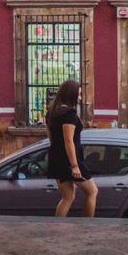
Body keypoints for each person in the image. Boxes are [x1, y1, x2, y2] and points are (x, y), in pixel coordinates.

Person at [45, 79, 98, 217]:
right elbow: (68, 140)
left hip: (56, 157)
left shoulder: (51, 112)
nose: (80, 98)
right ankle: (88, 225)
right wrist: (74, 166)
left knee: (68, 196)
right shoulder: (69, 114)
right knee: (92, 191)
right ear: (71, 95)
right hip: (70, 159)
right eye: (78, 94)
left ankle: (57, 227)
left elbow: (51, 137)